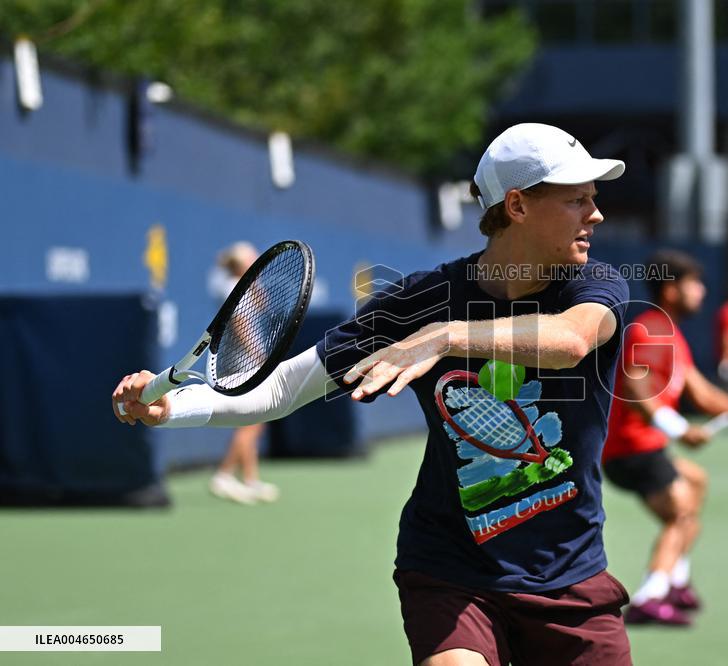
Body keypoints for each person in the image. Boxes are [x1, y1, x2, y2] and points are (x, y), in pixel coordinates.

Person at [113, 123, 639, 665]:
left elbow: (572, 340)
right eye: (577, 200)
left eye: (593, 199)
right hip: (453, 574)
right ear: (518, 205)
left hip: (569, 575)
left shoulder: (594, 284)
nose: (594, 215)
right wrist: (173, 407)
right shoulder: (422, 298)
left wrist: (446, 337)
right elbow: (284, 388)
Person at [602, 251, 728, 627]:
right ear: (670, 290)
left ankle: (676, 582)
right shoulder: (649, 328)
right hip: (630, 450)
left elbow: (701, 393)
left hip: (646, 448)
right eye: (694, 284)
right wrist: (679, 429)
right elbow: (635, 384)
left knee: (695, 481)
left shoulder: (672, 334)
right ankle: (650, 597)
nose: (702, 292)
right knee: (680, 515)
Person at [207, 242, 280, 504]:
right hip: (241, 361)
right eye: (251, 258)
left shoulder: (244, 285)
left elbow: (262, 306)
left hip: (243, 359)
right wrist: (260, 356)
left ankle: (250, 479)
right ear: (240, 264)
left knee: (255, 416)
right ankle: (224, 475)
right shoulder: (231, 287)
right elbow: (240, 325)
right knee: (252, 420)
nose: (255, 260)